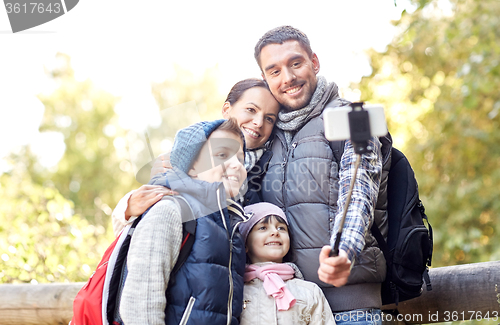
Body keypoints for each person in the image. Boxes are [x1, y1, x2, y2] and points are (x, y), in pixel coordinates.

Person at [254, 26, 391, 324]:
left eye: (295, 63)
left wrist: (345, 251)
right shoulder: (264, 135)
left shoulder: (354, 117)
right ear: (265, 79)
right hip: (287, 306)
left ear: (314, 62)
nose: (287, 78)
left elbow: (359, 194)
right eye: (274, 71)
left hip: (350, 309)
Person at [119, 118, 248, 325]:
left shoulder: (229, 225)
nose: (236, 165)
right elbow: (140, 307)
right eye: (222, 155)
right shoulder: (170, 212)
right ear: (192, 166)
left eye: (241, 159)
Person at [111, 78, 280, 236]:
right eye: (251, 110)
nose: (258, 122)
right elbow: (150, 211)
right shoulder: (193, 148)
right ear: (226, 110)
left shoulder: (271, 167)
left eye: (269, 119)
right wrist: (128, 208)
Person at [238, 202, 335, 325]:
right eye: (263, 228)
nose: (275, 232)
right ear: (245, 243)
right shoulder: (236, 290)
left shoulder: (310, 291)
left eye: (281, 228)